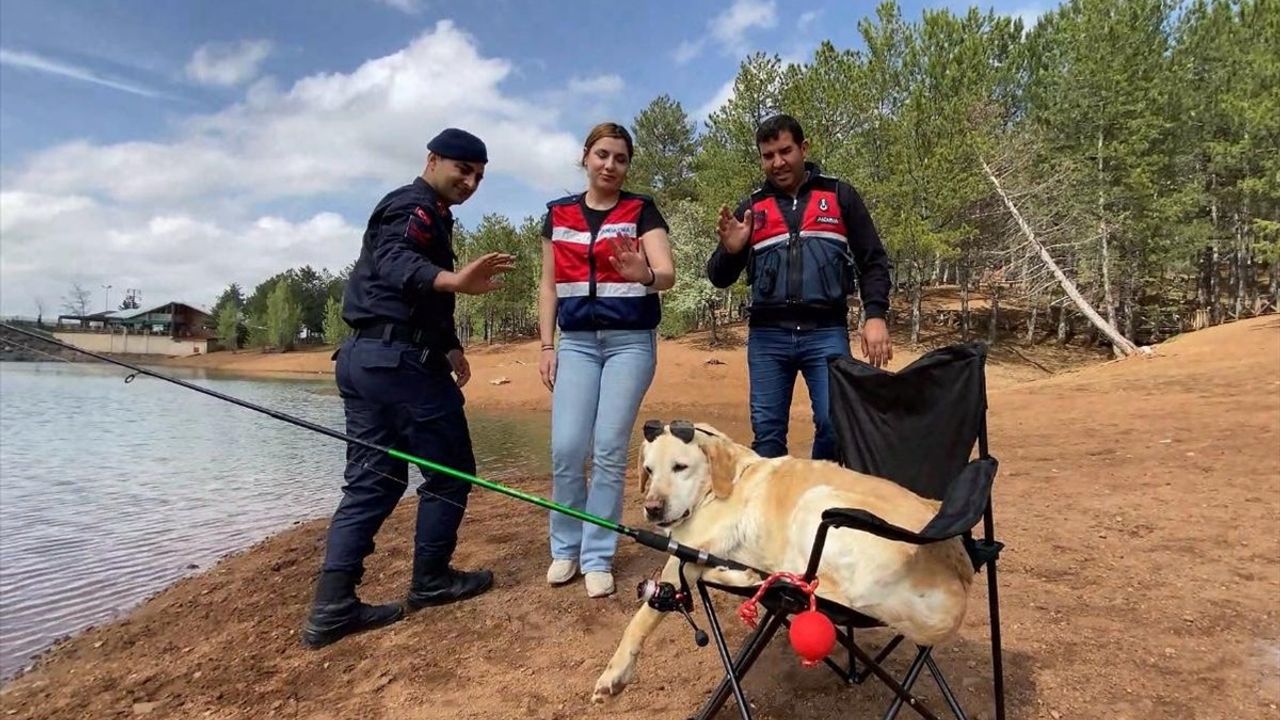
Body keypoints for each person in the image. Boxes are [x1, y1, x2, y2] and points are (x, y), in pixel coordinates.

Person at [301, 128, 516, 649]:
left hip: (367, 358)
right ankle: (432, 580)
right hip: (399, 367)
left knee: (373, 482)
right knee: (450, 472)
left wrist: (449, 343)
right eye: (462, 170)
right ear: (433, 159)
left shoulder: (430, 213)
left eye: (479, 176)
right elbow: (400, 263)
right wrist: (454, 282)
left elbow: (405, 291)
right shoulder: (413, 208)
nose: (470, 182)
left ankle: (331, 607)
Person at [537, 122, 675, 598]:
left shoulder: (642, 211)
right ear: (586, 157)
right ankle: (565, 548)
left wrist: (646, 273)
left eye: (619, 158)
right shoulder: (558, 215)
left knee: (611, 448)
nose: (610, 165)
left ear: (627, 165)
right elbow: (548, 286)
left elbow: (668, 274)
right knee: (568, 448)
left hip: (630, 342)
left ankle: (597, 554)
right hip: (575, 343)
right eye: (602, 155)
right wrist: (546, 345)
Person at [706, 114, 892, 461]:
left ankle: (815, 500)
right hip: (767, 337)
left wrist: (876, 315)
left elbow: (873, 261)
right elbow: (718, 276)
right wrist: (732, 251)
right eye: (767, 155)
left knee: (836, 423)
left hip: (826, 332)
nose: (777, 162)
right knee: (768, 433)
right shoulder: (751, 208)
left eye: (785, 151)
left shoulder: (839, 195)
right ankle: (775, 513)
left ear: (803, 148)